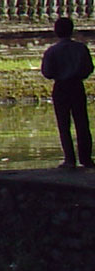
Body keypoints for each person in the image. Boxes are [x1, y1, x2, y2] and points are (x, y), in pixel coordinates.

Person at [42, 16, 94, 168]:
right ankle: (86, 158)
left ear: (56, 32)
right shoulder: (80, 48)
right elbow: (88, 68)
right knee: (82, 123)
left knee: (64, 124)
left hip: (61, 86)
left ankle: (69, 159)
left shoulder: (52, 51)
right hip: (77, 85)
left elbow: (47, 72)